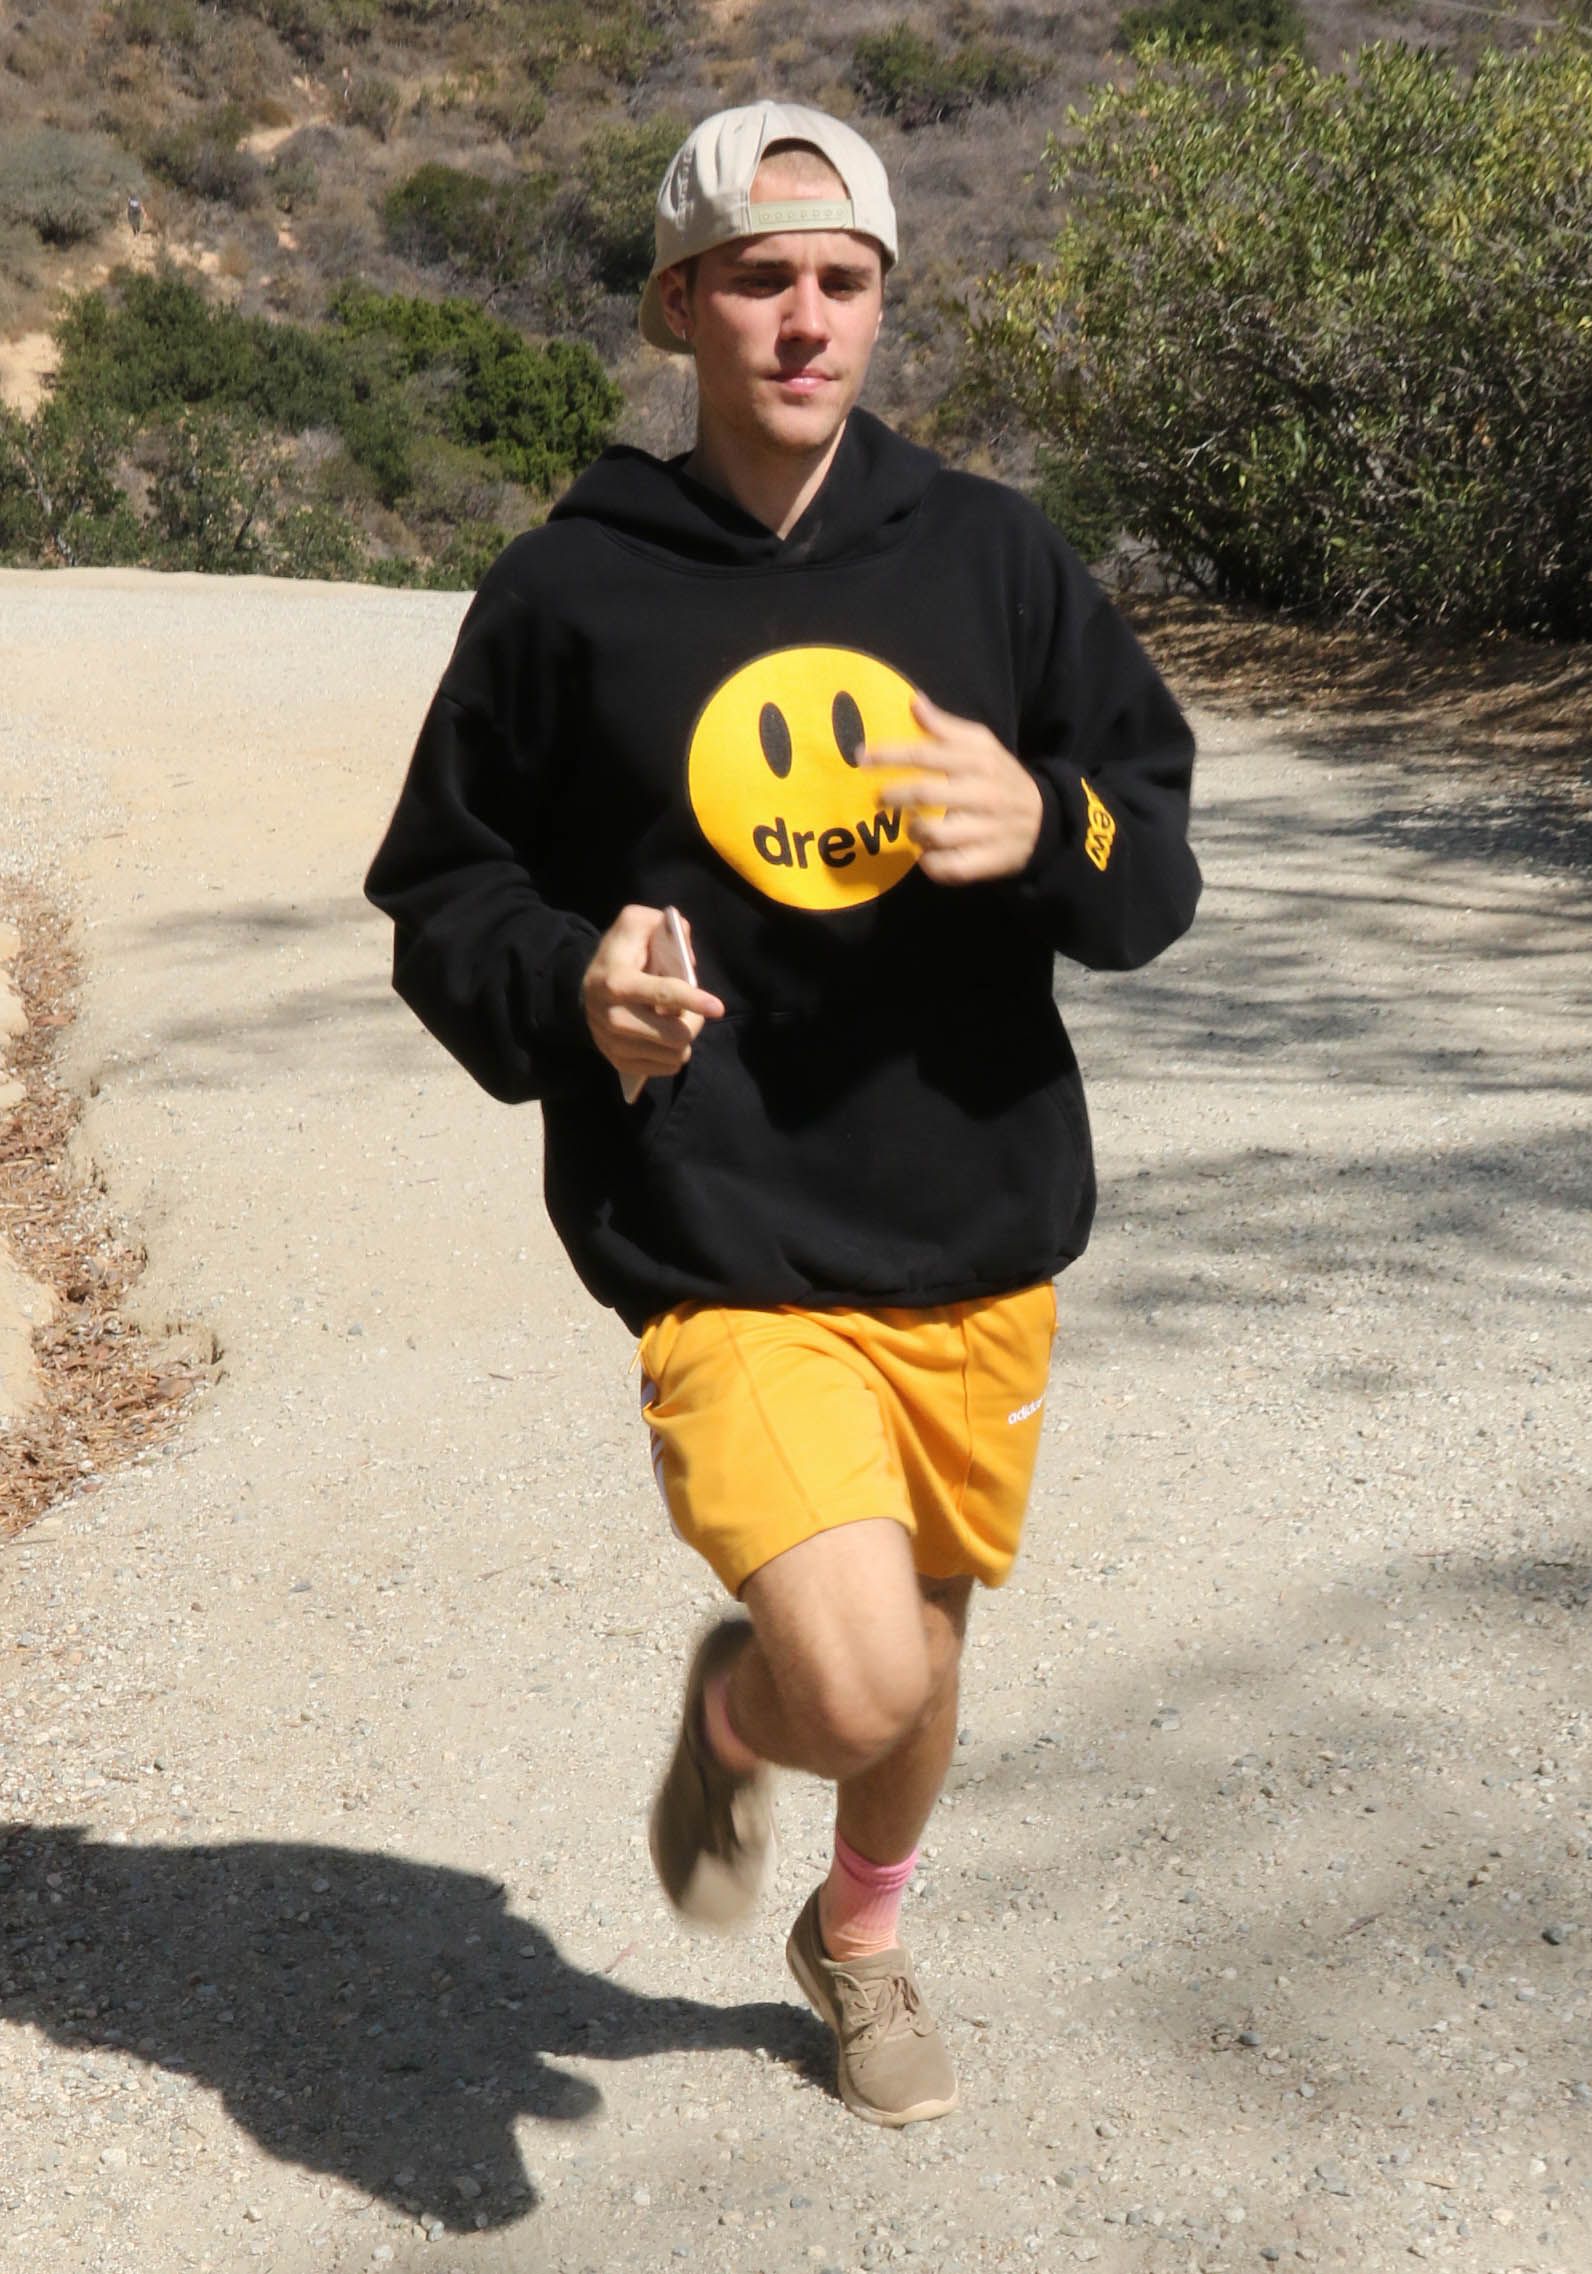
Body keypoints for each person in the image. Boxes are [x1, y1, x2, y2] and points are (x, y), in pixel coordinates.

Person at [365, 100, 1200, 2129]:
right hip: (716, 1220)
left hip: (970, 1208)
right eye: (759, 279)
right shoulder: (572, 591)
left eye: (841, 281)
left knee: (917, 1661)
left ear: (881, 304)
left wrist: (1050, 825)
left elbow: (1147, 850)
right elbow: (443, 891)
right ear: (680, 304)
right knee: (846, 1678)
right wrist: (567, 984)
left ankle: (862, 1936)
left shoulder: (994, 556)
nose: (804, 320)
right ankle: (746, 1707)